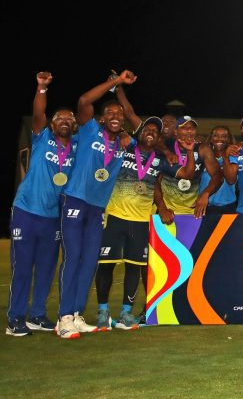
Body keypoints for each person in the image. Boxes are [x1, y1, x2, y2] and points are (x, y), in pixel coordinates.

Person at [56, 70, 136, 339]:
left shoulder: (123, 141)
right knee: (73, 257)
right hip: (76, 199)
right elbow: (84, 100)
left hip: (97, 208)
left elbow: (135, 123)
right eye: (110, 114)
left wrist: (125, 129)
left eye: (119, 115)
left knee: (90, 260)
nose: (115, 117)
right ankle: (64, 317)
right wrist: (115, 83)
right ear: (102, 118)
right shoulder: (90, 128)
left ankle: (77, 314)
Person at [94, 117, 193, 330]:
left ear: (158, 138)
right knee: (106, 265)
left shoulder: (160, 159)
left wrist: (190, 151)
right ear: (139, 133)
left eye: (155, 132)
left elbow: (186, 173)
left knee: (134, 267)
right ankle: (102, 312)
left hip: (140, 221)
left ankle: (126, 313)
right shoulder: (124, 149)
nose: (150, 132)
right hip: (115, 216)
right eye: (146, 129)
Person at [7, 73, 77, 337]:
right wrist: (42, 88)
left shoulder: (76, 149)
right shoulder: (41, 137)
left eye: (70, 119)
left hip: (53, 217)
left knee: (47, 269)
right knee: (23, 267)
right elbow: (38, 112)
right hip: (26, 211)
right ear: (51, 123)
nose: (65, 121)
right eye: (59, 118)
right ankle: (15, 319)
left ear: (74, 126)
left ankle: (37, 314)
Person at [154, 116, 222, 223]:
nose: (189, 130)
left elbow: (218, 175)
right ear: (176, 132)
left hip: (193, 212)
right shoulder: (165, 147)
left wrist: (206, 194)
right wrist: (162, 207)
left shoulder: (203, 149)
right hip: (167, 211)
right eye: (184, 127)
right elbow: (155, 181)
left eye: (192, 128)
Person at [202, 125, 238, 214]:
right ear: (211, 139)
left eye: (224, 136)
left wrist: (225, 157)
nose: (219, 139)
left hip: (227, 207)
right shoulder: (203, 156)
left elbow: (231, 180)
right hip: (205, 205)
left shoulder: (233, 156)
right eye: (215, 135)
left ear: (228, 139)